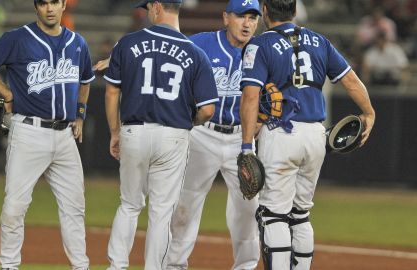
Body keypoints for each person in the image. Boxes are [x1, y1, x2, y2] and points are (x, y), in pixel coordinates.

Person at [240, 0, 375, 270]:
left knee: (273, 215)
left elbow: (251, 97)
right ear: (294, 12)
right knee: (300, 214)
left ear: (265, 11)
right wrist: (369, 112)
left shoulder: (260, 44)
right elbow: (349, 80)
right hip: (315, 135)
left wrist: (246, 146)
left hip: (280, 134)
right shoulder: (319, 41)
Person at [0, 0, 95, 269]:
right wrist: (7, 93)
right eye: (43, 3)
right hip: (28, 131)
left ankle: (81, 266)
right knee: (15, 206)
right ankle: (9, 266)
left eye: (54, 2)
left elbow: (85, 81)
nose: (49, 8)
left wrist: (80, 114)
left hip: (65, 136)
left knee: (75, 207)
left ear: (64, 6)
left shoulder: (78, 43)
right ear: (36, 7)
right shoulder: (18, 39)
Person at [103, 0, 218, 269]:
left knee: (130, 205)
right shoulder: (195, 52)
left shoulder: (128, 43)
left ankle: (117, 266)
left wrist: (114, 132)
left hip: (134, 131)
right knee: (161, 213)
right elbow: (209, 110)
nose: (145, 12)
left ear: (156, 7)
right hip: (173, 135)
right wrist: (191, 121)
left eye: (147, 7)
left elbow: (111, 92)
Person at [166, 0, 261, 269]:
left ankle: (245, 266)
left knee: (249, 207)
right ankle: (174, 264)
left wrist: (261, 121)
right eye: (241, 16)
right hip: (202, 135)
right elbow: (166, 57)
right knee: (185, 204)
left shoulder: (261, 51)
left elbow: (272, 95)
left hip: (241, 141)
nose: (247, 23)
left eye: (252, 17)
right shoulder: (201, 44)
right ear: (225, 18)